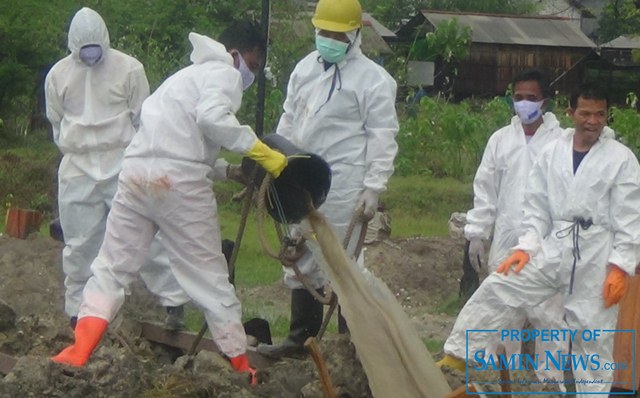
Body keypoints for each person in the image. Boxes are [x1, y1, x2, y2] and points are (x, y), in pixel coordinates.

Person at [51, 20, 287, 384]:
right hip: (177, 184)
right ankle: (242, 365)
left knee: (112, 266)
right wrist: (262, 152)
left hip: (134, 173)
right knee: (209, 277)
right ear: (235, 54)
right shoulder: (223, 74)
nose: (250, 75)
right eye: (252, 65)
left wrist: (226, 171)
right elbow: (212, 121)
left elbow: (175, 145)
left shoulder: (183, 78)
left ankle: (79, 350)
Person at [438, 83, 640, 395]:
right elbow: (535, 207)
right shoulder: (553, 152)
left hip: (597, 253)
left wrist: (620, 266)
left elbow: (630, 217)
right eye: (585, 113)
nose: (593, 120)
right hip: (556, 244)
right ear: (571, 113)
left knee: (593, 336)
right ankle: (459, 355)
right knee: (501, 285)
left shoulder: (621, 159)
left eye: (600, 114)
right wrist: (526, 247)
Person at [257, 0, 399, 358]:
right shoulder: (305, 69)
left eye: (337, 34)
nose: (329, 39)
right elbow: (289, 118)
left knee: (343, 263)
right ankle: (300, 339)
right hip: (300, 175)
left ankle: (350, 345)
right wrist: (278, 162)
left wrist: (373, 187)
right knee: (301, 252)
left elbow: (383, 135)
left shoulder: (373, 81)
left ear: (354, 34)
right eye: (324, 32)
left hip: (343, 184)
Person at [44, 7, 189, 330]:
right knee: (80, 243)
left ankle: (173, 303)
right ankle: (78, 310)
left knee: (146, 234)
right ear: (73, 47)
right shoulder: (58, 75)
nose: (91, 57)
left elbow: (144, 117)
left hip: (123, 161)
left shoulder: (129, 69)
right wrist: (76, 150)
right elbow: (57, 122)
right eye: (85, 52)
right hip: (78, 168)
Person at [448, 69, 567, 384]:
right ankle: (510, 377)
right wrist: (476, 234)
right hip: (506, 237)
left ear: (545, 100)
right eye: (518, 98)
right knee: (504, 307)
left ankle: (549, 379)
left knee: (549, 313)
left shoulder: (560, 141)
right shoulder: (500, 140)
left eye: (531, 98)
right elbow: (485, 192)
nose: (524, 104)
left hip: (546, 240)